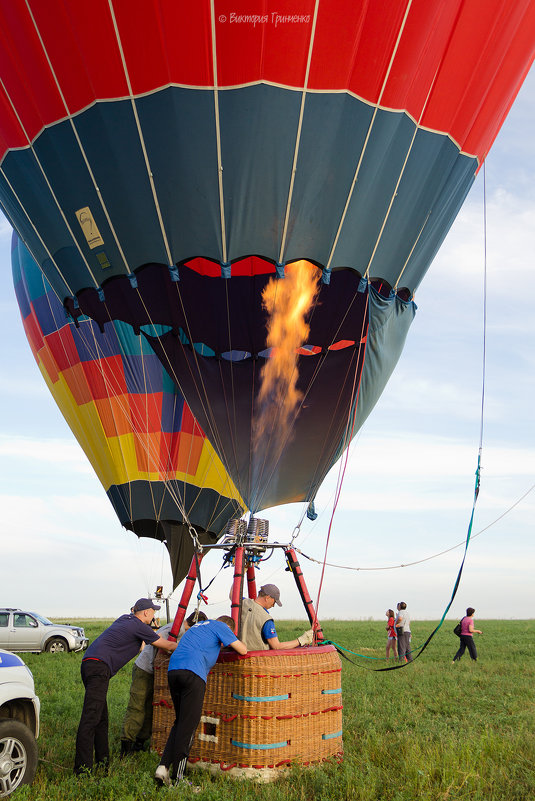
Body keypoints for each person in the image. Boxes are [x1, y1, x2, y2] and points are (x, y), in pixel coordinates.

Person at [74, 598, 177, 774]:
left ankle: (103, 763)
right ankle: (82, 770)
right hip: (99, 667)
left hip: (90, 664)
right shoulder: (139, 626)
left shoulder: (125, 619)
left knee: (101, 718)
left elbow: (136, 645)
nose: (154, 615)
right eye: (153, 611)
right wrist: (187, 647)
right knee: (90, 718)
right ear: (146, 613)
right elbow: (166, 645)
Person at [154, 615, 247, 787]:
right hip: (193, 673)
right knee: (188, 726)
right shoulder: (221, 627)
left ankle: (163, 768)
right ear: (229, 628)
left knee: (179, 722)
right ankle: (178, 779)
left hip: (173, 671)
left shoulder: (199, 627)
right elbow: (242, 650)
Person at [120, 611, 207, 755]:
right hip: (144, 668)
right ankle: (126, 745)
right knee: (137, 706)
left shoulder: (180, 629)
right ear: (194, 625)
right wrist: (174, 647)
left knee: (150, 707)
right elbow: (159, 640)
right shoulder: (177, 629)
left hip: (155, 671)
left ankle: (140, 742)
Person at [240, 584, 314, 650]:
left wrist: (243, 571)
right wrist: (301, 640)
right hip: (257, 660)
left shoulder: (244, 602)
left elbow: (232, 594)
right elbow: (277, 646)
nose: (273, 605)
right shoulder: (266, 619)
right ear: (267, 597)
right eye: (274, 601)